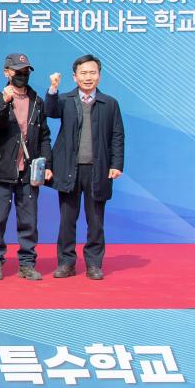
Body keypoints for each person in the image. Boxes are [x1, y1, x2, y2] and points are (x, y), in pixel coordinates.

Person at [46, 54, 124, 280]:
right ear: (75, 76)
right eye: (83, 73)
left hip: (98, 170)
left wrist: (116, 164)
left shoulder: (109, 103)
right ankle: (66, 263)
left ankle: (93, 264)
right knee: (67, 220)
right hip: (69, 168)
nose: (88, 77)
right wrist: (53, 88)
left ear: (99, 76)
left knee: (96, 221)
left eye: (92, 73)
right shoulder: (65, 99)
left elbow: (117, 136)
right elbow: (50, 112)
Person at [0, 53, 52, 281]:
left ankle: (27, 263)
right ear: (7, 72)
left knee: (29, 220)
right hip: (3, 170)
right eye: (17, 71)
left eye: (26, 71)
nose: (22, 75)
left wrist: (46, 164)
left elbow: (44, 136)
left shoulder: (37, 101)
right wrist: (5, 102)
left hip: (29, 172)